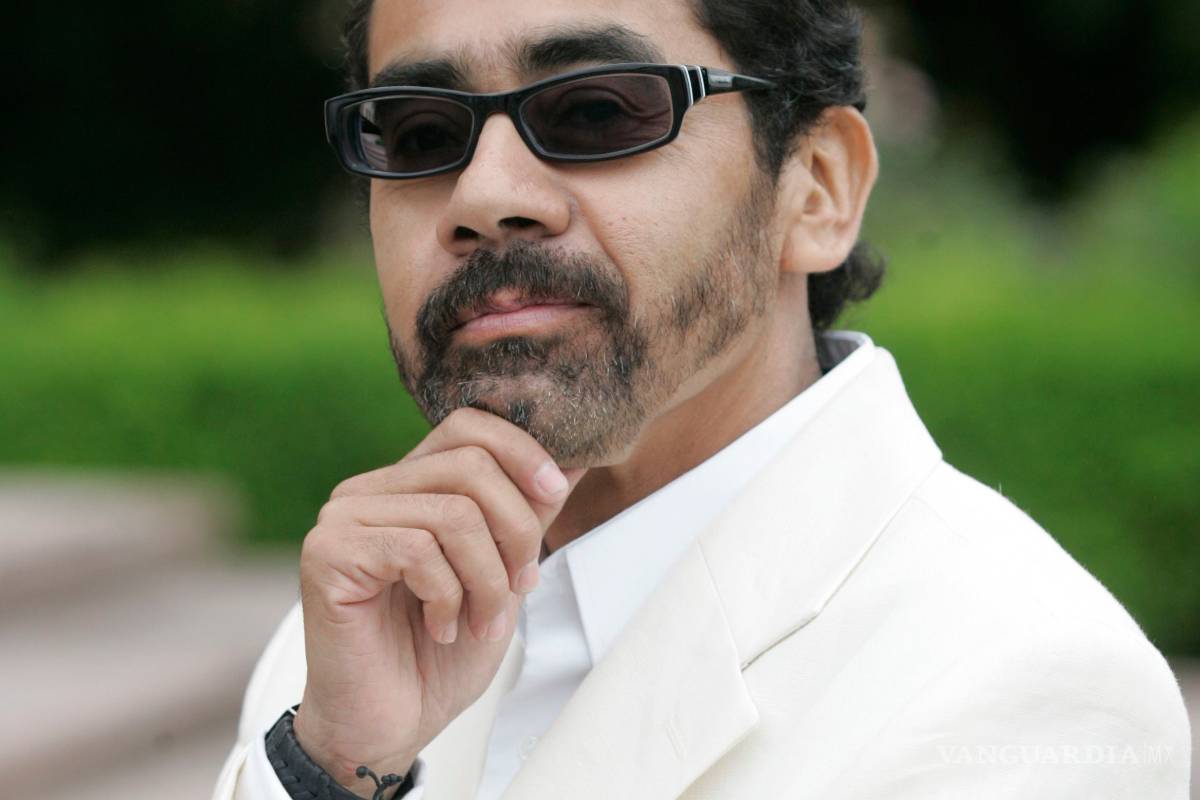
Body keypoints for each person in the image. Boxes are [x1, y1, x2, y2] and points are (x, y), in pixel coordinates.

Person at [213, 0, 1192, 798]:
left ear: (817, 188)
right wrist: (329, 771)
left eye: (597, 111)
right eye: (422, 132)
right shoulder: (350, 638)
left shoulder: (1020, 683)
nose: (484, 194)